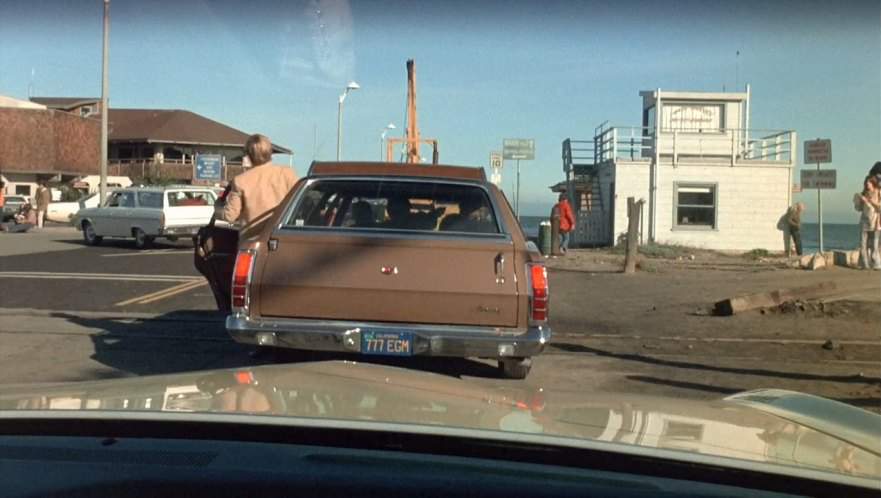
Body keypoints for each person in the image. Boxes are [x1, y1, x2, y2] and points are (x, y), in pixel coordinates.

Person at [221, 134, 298, 226]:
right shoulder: (287, 174)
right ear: (270, 152)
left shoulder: (240, 181)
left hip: (252, 237)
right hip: (281, 235)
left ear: (249, 155)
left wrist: (218, 207)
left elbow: (230, 216)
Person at [857, 175, 881, 270]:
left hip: (875, 222)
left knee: (874, 245)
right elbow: (858, 209)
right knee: (863, 244)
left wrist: (871, 202)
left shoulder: (878, 192)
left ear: (873, 183)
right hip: (864, 222)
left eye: (869, 183)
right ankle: (865, 264)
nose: (867, 184)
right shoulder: (864, 193)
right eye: (866, 183)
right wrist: (860, 201)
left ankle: (876, 264)